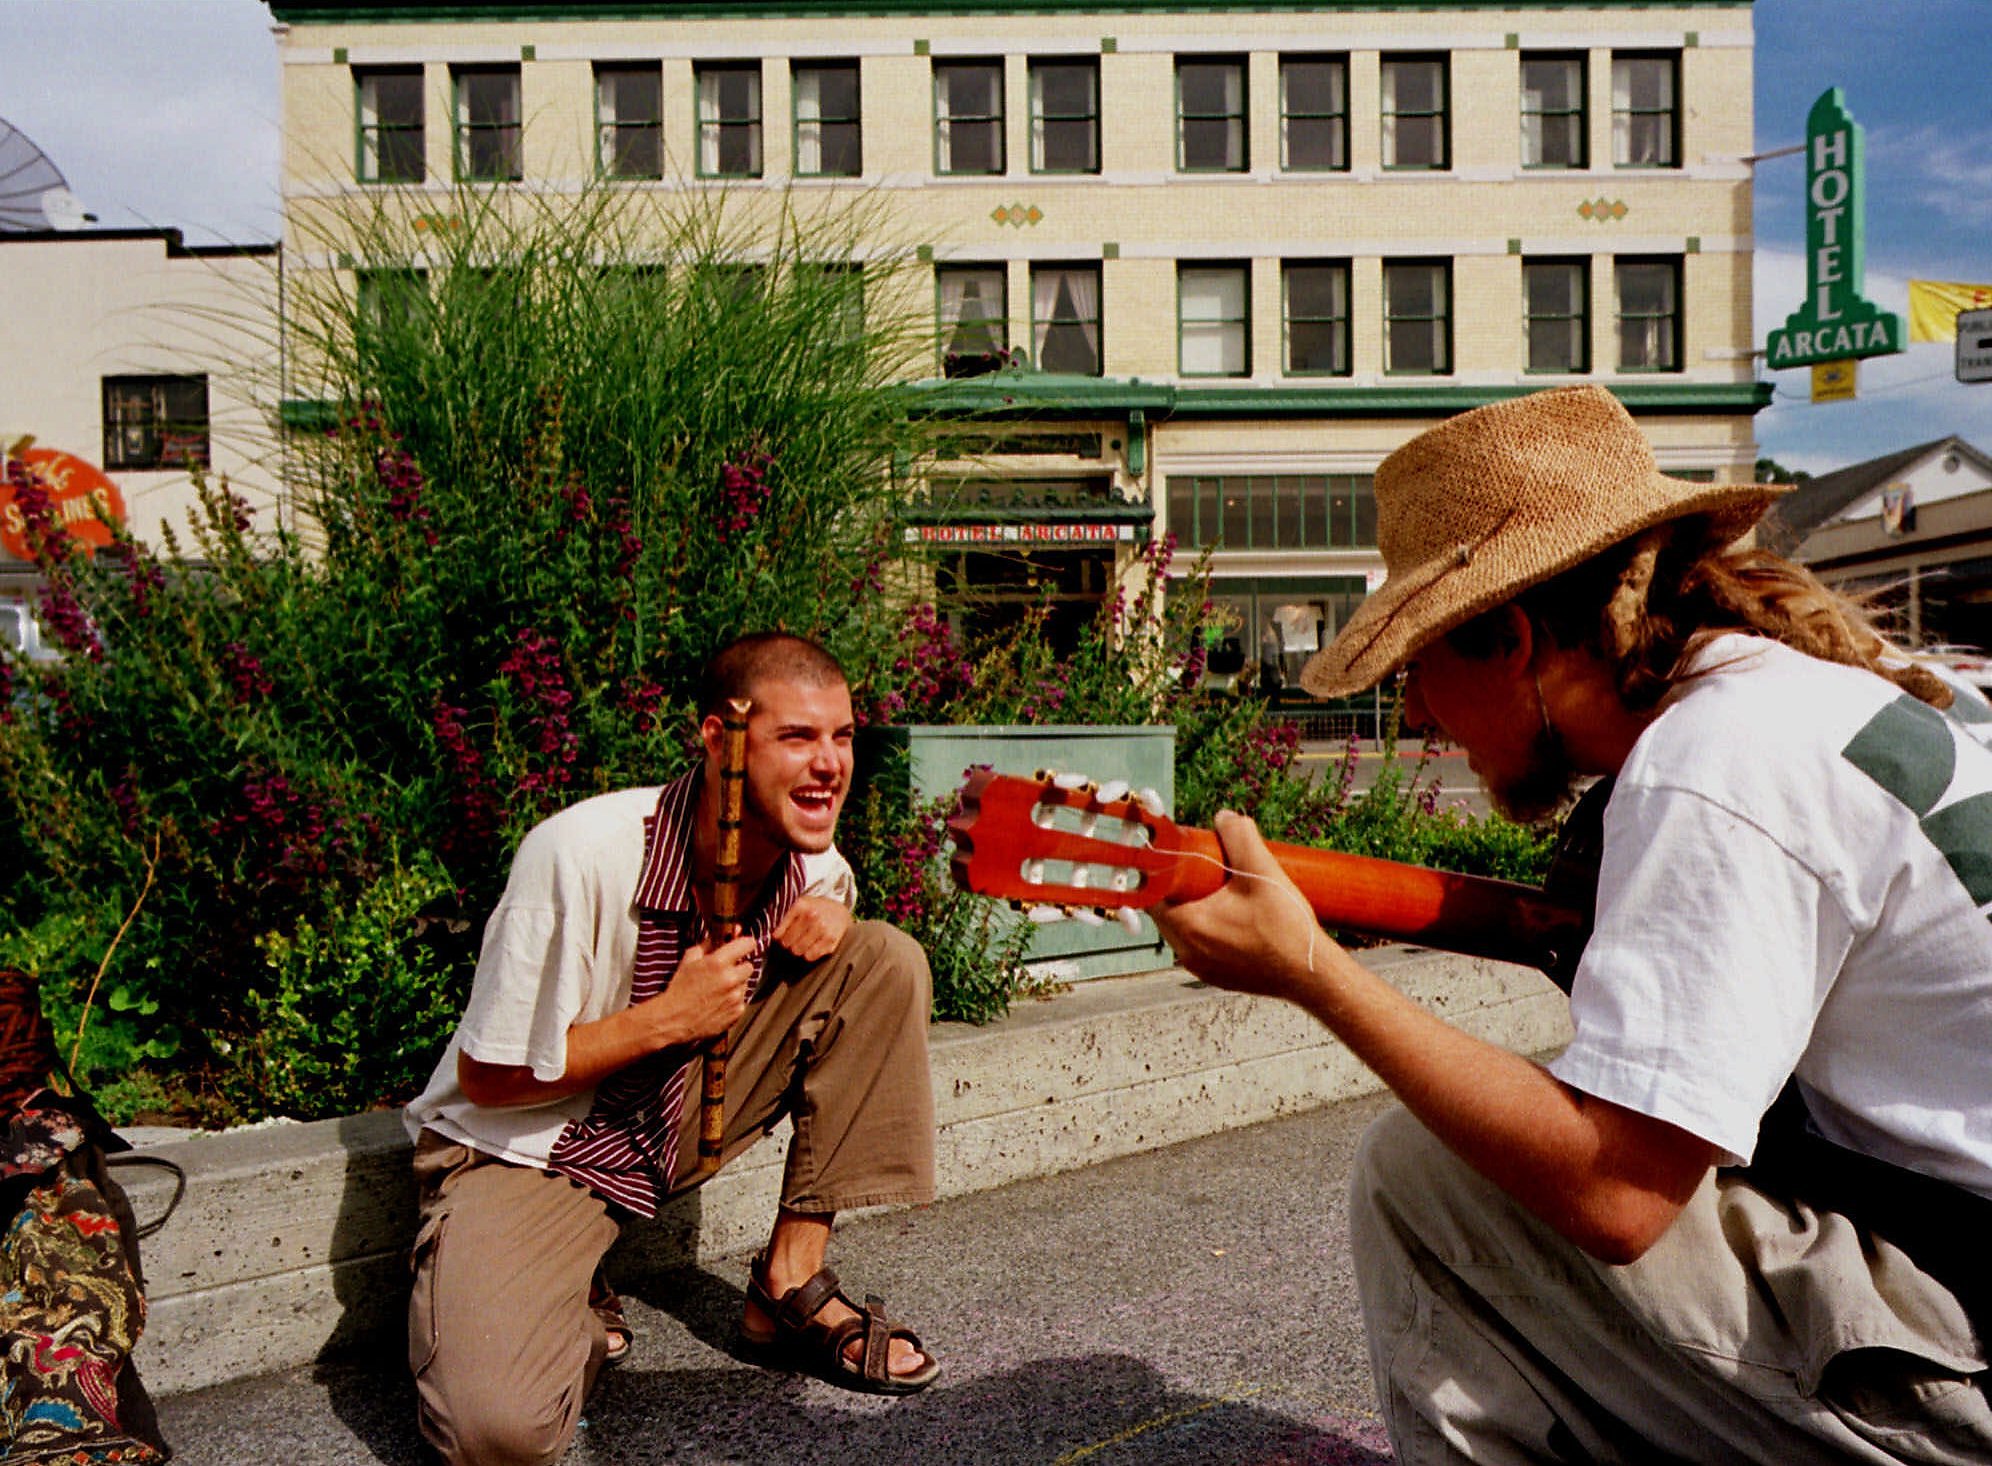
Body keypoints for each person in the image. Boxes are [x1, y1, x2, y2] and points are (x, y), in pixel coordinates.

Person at [1152, 385, 1992, 1462]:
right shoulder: (1852, 691)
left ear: (1506, 635)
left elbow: (1616, 1189)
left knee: (1432, 1181)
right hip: (1959, 1257)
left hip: (1967, 1353)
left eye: (1418, 663)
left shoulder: (1714, 764)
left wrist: (1313, 970)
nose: (1411, 711)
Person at [404, 631, 940, 1466]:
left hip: (669, 1118)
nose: (830, 763)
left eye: (842, 736)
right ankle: (555, 1301)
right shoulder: (578, 854)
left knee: (884, 961)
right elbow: (488, 1077)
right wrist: (667, 1019)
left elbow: (836, 884)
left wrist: (838, 911)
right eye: (796, 738)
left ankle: (787, 1284)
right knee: (495, 1437)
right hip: (527, 1147)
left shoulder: (806, 852)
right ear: (721, 740)